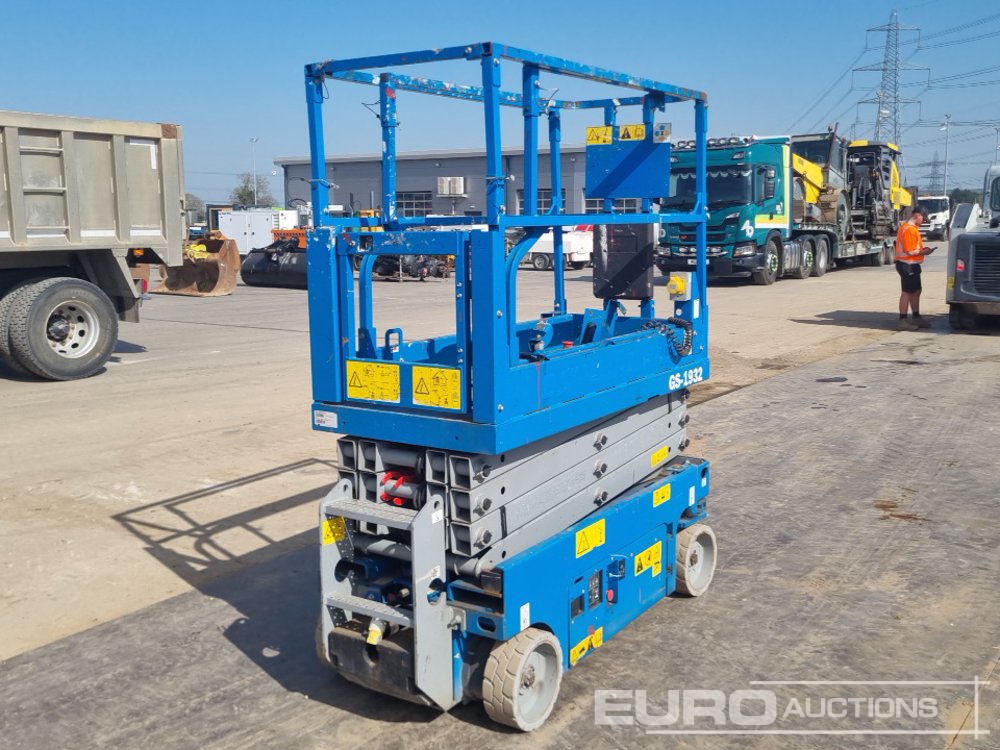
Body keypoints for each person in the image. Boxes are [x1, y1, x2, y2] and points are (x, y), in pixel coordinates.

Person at [894, 206, 935, 331]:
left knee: (916, 290)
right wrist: (924, 252)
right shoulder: (909, 230)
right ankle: (902, 320)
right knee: (907, 292)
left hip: (912, 264)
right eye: (923, 218)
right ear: (918, 215)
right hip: (907, 264)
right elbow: (910, 251)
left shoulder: (911, 228)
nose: (923, 221)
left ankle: (916, 316)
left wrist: (922, 251)